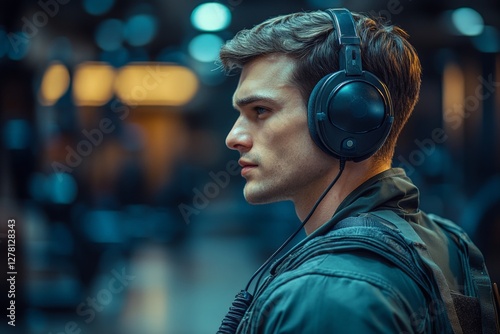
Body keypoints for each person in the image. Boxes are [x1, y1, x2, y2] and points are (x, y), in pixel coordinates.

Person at [216, 8, 500, 334]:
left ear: (349, 116)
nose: (233, 138)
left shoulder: (327, 296)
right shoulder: (445, 239)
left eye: (260, 110)